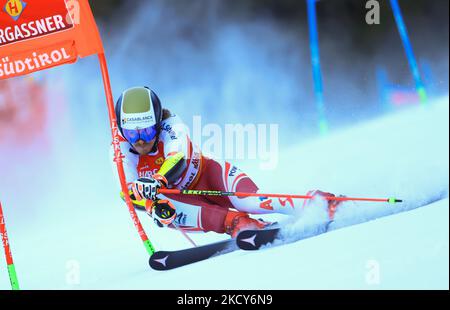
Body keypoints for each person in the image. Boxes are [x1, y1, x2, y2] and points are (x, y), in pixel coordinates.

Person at [111, 86, 340, 238]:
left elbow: (178, 158)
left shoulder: (172, 125)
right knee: (167, 213)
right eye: (132, 134)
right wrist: (150, 205)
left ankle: (320, 203)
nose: (140, 140)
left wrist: (158, 180)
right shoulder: (118, 148)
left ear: (158, 123)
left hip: (208, 176)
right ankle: (240, 225)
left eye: (148, 131)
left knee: (250, 201)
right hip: (181, 201)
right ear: (122, 131)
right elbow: (126, 192)